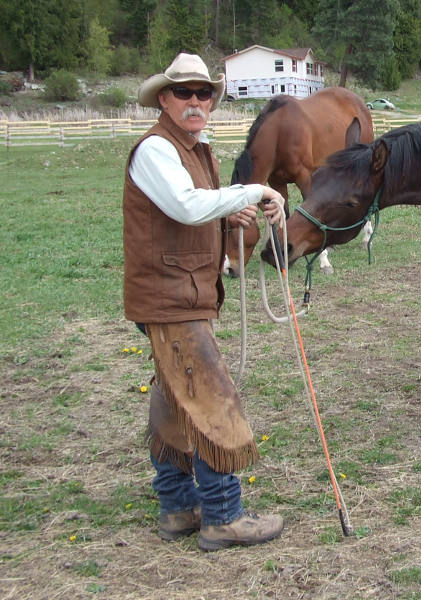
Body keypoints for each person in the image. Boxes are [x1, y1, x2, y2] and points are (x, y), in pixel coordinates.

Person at [123, 53, 286, 551]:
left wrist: (227, 217)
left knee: (175, 403)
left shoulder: (197, 149)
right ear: (164, 99)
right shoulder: (156, 150)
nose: (195, 101)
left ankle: (178, 507)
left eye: (204, 93)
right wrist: (249, 192)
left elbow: (189, 211)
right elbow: (184, 205)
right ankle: (222, 516)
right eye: (184, 93)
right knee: (212, 399)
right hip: (172, 299)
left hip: (184, 295)